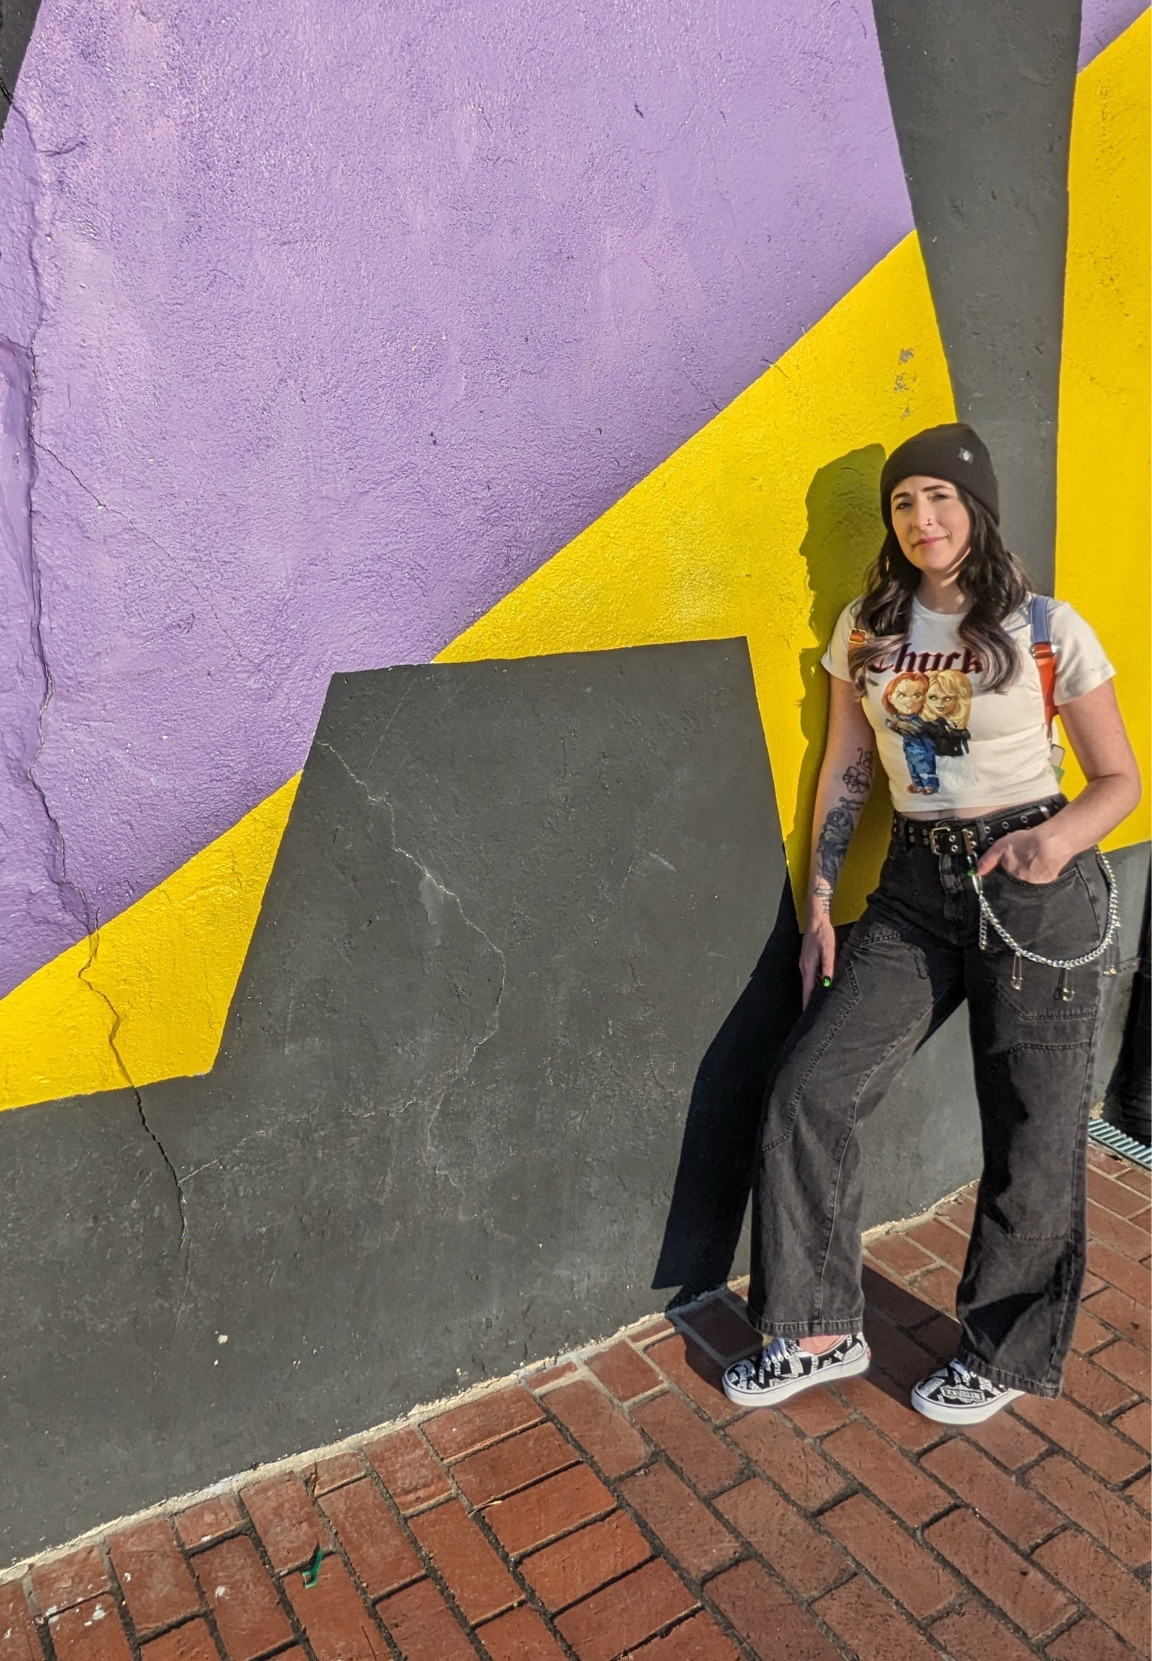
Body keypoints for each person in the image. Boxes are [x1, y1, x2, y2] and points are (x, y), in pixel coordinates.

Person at [724, 423, 1141, 1423]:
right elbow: (850, 766)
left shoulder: (1045, 625)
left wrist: (1055, 841)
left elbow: (1118, 779)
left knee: (1032, 1129)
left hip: (1032, 879)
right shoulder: (864, 625)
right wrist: (822, 898)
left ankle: (1001, 1349)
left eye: (941, 499)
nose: (923, 519)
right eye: (905, 502)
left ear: (978, 507)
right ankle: (820, 1327)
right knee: (810, 1087)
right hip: (915, 889)